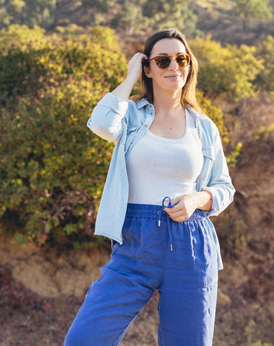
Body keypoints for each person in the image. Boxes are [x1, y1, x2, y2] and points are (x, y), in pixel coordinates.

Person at [64, 28, 236, 346]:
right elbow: (100, 122)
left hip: (191, 244)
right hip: (135, 243)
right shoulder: (130, 114)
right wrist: (129, 77)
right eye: (163, 60)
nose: (174, 66)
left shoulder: (204, 126)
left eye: (181, 59)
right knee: (84, 340)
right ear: (148, 68)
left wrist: (198, 198)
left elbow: (224, 186)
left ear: (190, 65)